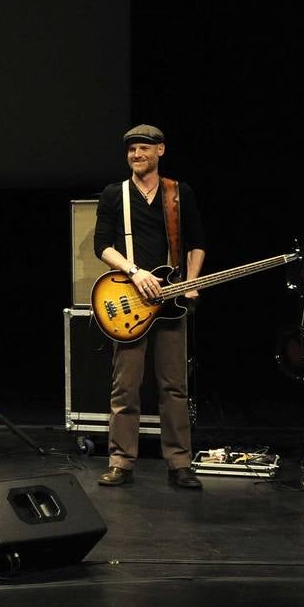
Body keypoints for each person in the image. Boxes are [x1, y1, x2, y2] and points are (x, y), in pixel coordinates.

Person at [93, 125, 206, 489]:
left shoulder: (178, 192)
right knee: (125, 386)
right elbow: (102, 246)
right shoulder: (115, 194)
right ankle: (121, 461)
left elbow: (197, 243)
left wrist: (190, 282)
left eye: (144, 148)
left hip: (172, 302)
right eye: (132, 150)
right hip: (132, 301)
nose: (137, 155)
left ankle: (179, 463)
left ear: (160, 150)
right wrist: (135, 271)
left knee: (173, 386)